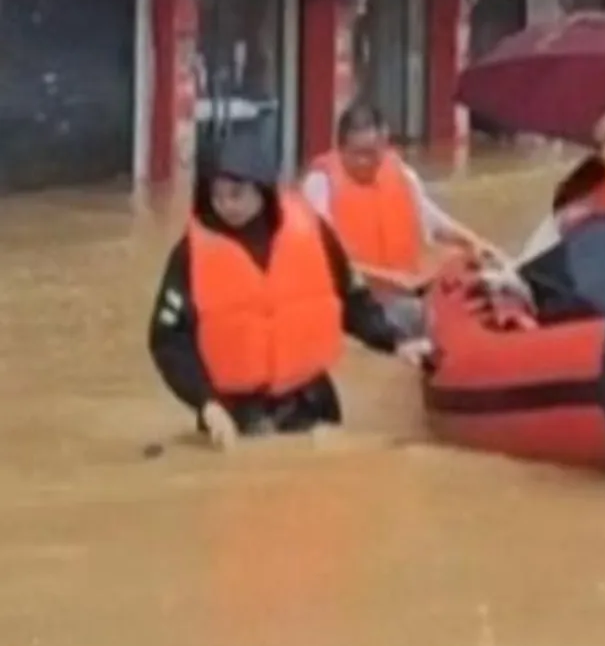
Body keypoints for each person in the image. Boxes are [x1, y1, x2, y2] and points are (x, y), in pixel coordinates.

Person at [148, 131, 435, 450]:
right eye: (217, 196)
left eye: (236, 193)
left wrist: (395, 341)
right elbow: (169, 342)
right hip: (236, 417)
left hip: (312, 404)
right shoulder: (190, 254)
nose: (226, 205)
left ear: (261, 188)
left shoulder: (311, 231)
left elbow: (352, 302)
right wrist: (206, 403)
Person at [300, 101, 480, 331]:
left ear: (384, 146)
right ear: (340, 148)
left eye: (373, 153)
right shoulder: (320, 185)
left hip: (404, 292)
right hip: (354, 302)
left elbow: (434, 222)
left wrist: (473, 243)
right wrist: (386, 278)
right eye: (357, 154)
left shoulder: (403, 176)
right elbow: (322, 253)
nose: (365, 161)